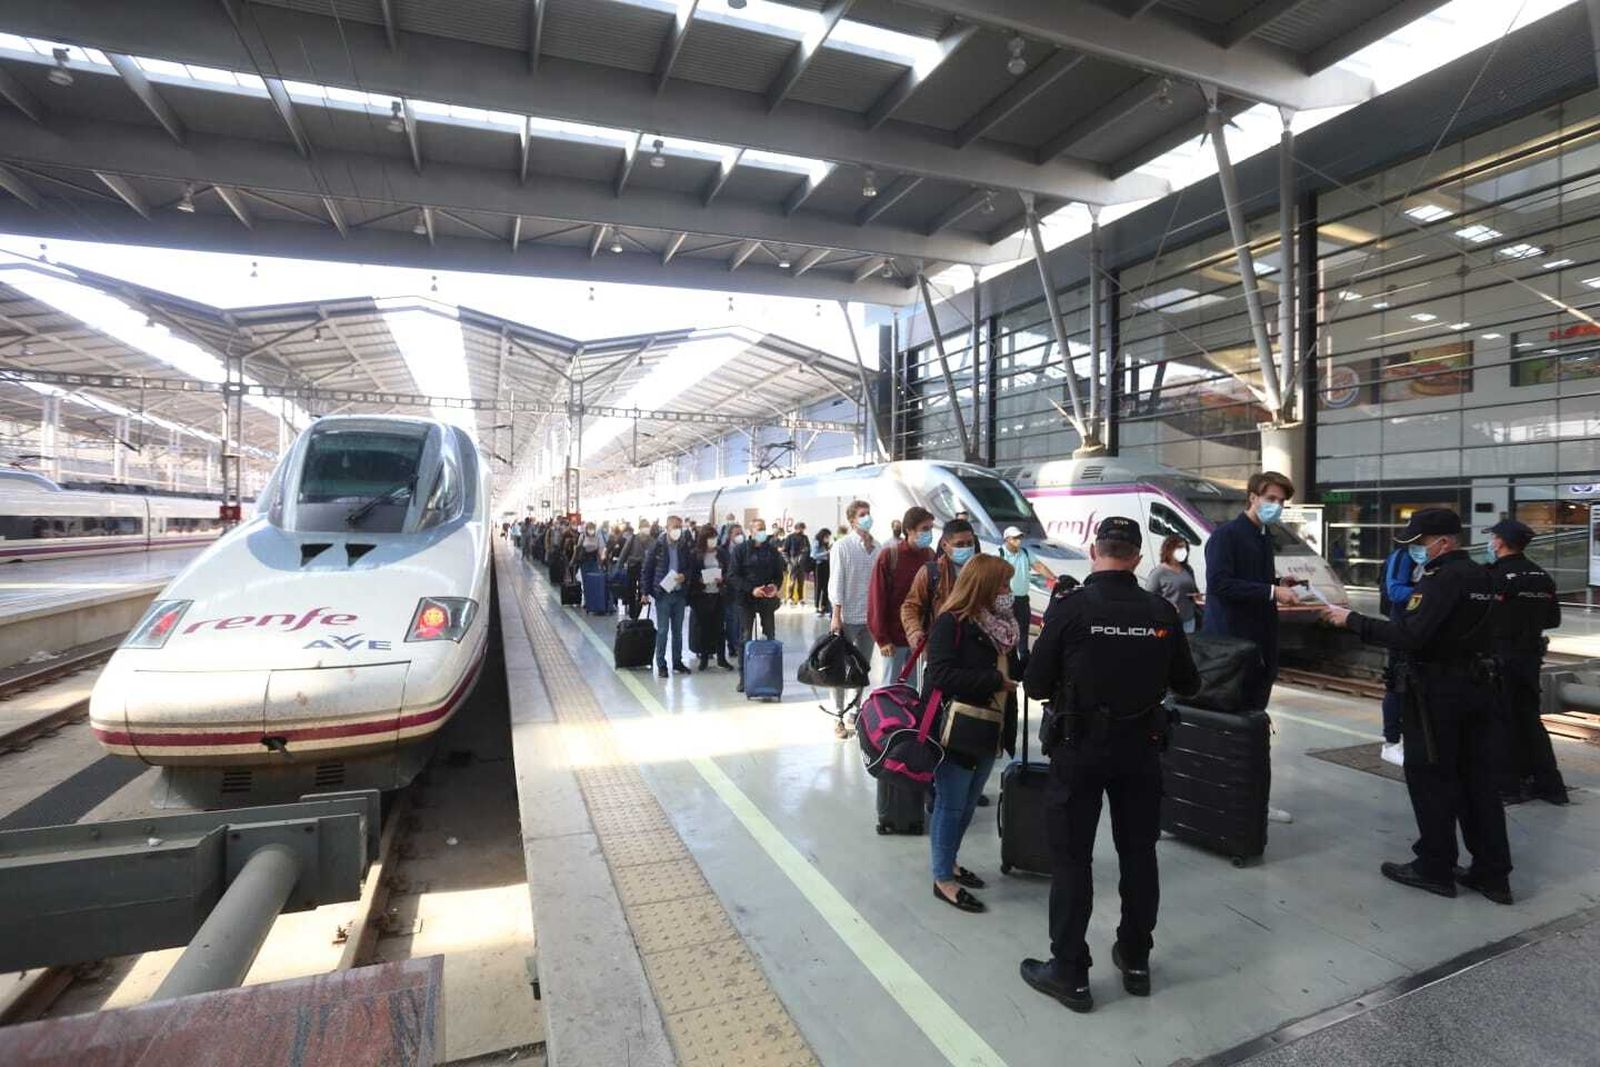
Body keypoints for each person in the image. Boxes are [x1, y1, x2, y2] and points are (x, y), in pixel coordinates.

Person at [1020, 517, 1200, 1013]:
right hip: (1141, 750)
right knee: (1139, 854)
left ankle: (1070, 973)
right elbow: (1189, 684)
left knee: (1072, 859)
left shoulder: (1073, 609)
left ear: (1094, 550)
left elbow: (1034, 684)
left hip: (1079, 752)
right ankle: (1136, 959)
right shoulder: (1160, 610)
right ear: (1138, 558)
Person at [1323, 508, 1513, 905]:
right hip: (1481, 689)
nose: (1417, 552)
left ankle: (1435, 867)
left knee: (1431, 778)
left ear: (1442, 541)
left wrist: (1351, 620)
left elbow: (1410, 635)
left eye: (1420, 544)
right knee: (1479, 781)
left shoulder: (1441, 579)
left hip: (1437, 694)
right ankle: (1493, 875)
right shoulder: (1484, 576)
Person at [923, 554, 1021, 915]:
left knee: (965, 805)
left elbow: (1013, 666)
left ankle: (948, 862)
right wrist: (995, 680)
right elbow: (939, 676)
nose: (1008, 593)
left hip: (988, 728)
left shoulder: (1001, 626)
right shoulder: (952, 623)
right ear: (983, 587)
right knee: (951, 805)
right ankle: (942, 878)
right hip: (958, 730)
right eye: (1003, 585)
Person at [1201, 470, 1299, 824]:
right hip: (1232, 650)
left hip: (1259, 647)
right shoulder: (1225, 537)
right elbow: (1221, 585)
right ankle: (1220, 797)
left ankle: (1251, 798)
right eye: (1270, 499)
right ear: (1252, 497)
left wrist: (1276, 583)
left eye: (1281, 502)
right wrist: (1272, 592)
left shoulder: (1262, 537)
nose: (1276, 506)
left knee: (1254, 726)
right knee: (1230, 727)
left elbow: (1251, 583)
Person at [1484, 519, 1567, 805]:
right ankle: (1550, 785)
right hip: (1530, 657)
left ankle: (1507, 786)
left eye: (1493, 538)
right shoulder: (1542, 576)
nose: (1491, 542)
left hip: (1499, 657)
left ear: (1501, 542)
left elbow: (1483, 617)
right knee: (1530, 720)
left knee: (1499, 721)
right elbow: (1552, 619)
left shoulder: (1494, 575)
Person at [828, 501, 881, 735]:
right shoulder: (842, 547)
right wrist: (836, 616)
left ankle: (855, 712)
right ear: (852, 520)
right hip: (847, 617)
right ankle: (838, 715)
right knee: (840, 668)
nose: (867, 518)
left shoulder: (877, 548)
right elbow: (836, 582)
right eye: (862, 514)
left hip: (869, 619)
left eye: (868, 514)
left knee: (861, 669)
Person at [868, 506, 936, 685]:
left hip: (919, 638)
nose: (929, 533)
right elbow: (877, 599)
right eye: (924, 529)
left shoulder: (930, 556)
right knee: (889, 687)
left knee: (913, 689)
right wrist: (882, 639)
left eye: (930, 528)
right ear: (909, 530)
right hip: (893, 639)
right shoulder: (889, 556)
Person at [901, 518, 979, 654]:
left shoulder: (984, 571)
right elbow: (910, 606)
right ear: (944, 545)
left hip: (977, 647)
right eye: (959, 544)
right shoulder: (931, 573)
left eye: (969, 543)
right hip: (942, 647)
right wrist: (914, 631)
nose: (966, 548)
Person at [728, 517, 785, 693]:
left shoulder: (772, 551)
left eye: (763, 528)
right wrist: (751, 589)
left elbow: (779, 574)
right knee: (745, 638)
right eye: (758, 529)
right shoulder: (740, 551)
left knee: (770, 634)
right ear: (751, 531)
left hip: (767, 600)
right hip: (746, 599)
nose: (761, 532)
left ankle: (769, 674)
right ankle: (744, 677)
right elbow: (732, 576)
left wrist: (775, 586)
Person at [1377, 543, 1419, 767]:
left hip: (1421, 629)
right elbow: (1394, 590)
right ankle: (1391, 743)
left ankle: (1410, 739)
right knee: (1397, 684)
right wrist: (1430, 591)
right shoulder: (1403, 556)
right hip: (1401, 629)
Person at [642, 515, 699, 678]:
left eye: (679, 527)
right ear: (666, 528)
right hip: (663, 595)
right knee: (662, 630)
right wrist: (645, 592)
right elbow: (647, 569)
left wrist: (685, 576)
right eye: (674, 527)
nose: (677, 531)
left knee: (678, 631)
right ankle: (661, 664)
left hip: (679, 594)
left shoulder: (684, 547)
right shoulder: (657, 546)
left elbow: (690, 567)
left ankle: (677, 662)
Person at [999, 525, 1056, 657]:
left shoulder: (1025, 553)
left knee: (1023, 630)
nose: (1018, 540)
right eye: (1015, 538)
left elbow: (1038, 566)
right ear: (1007, 539)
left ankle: (1023, 659)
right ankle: (1009, 659)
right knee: (1006, 631)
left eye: (1019, 537)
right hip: (1005, 599)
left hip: (1022, 599)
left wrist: (1053, 578)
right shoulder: (999, 554)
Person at [689, 527, 735, 672]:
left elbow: (730, 571)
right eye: (710, 538)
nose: (713, 541)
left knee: (720, 628)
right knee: (704, 628)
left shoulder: (721, 553)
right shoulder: (696, 555)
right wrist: (699, 580)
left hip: (719, 594)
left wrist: (723, 579)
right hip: (702, 595)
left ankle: (721, 658)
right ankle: (704, 658)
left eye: (715, 537)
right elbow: (691, 574)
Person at [1144, 535, 1199, 635]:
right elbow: (1148, 597)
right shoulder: (1158, 573)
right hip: (1167, 621)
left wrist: (1195, 596)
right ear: (1169, 549)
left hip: (1189, 619)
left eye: (1185, 548)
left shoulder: (1188, 569)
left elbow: (1193, 589)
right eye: (1179, 547)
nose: (1183, 551)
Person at [718, 523, 746, 668]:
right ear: (729, 536)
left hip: (742, 591)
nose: (739, 536)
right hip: (728, 591)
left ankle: (737, 646)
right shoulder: (722, 551)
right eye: (736, 533)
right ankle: (732, 645)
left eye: (741, 533)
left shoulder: (746, 550)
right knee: (731, 621)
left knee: (741, 622)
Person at [785, 522, 812, 607]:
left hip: (802, 563)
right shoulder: (790, 537)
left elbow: (808, 549)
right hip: (792, 562)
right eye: (801, 528)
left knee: (801, 582)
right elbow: (785, 551)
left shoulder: (805, 538)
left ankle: (801, 599)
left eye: (803, 529)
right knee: (792, 582)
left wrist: (804, 555)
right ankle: (790, 598)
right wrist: (789, 561)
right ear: (796, 528)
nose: (802, 530)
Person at [811, 527, 833, 617]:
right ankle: (816, 606)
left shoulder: (825, 543)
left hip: (826, 565)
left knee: (826, 586)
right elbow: (814, 555)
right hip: (818, 565)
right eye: (827, 536)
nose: (827, 538)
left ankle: (824, 606)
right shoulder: (816, 542)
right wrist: (826, 553)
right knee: (818, 586)